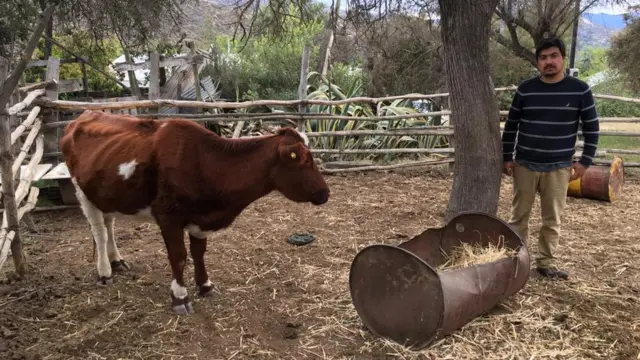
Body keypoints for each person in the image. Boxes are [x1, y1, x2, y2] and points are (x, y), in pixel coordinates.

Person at [501, 37, 600, 280]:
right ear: (537, 62)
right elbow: (511, 126)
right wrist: (507, 157)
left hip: (559, 167)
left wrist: (585, 162)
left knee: (552, 218)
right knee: (518, 216)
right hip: (525, 164)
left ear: (562, 58)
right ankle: (516, 260)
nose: (549, 62)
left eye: (554, 56)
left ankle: (545, 263)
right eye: (543, 58)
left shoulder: (580, 90)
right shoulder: (526, 89)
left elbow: (592, 128)